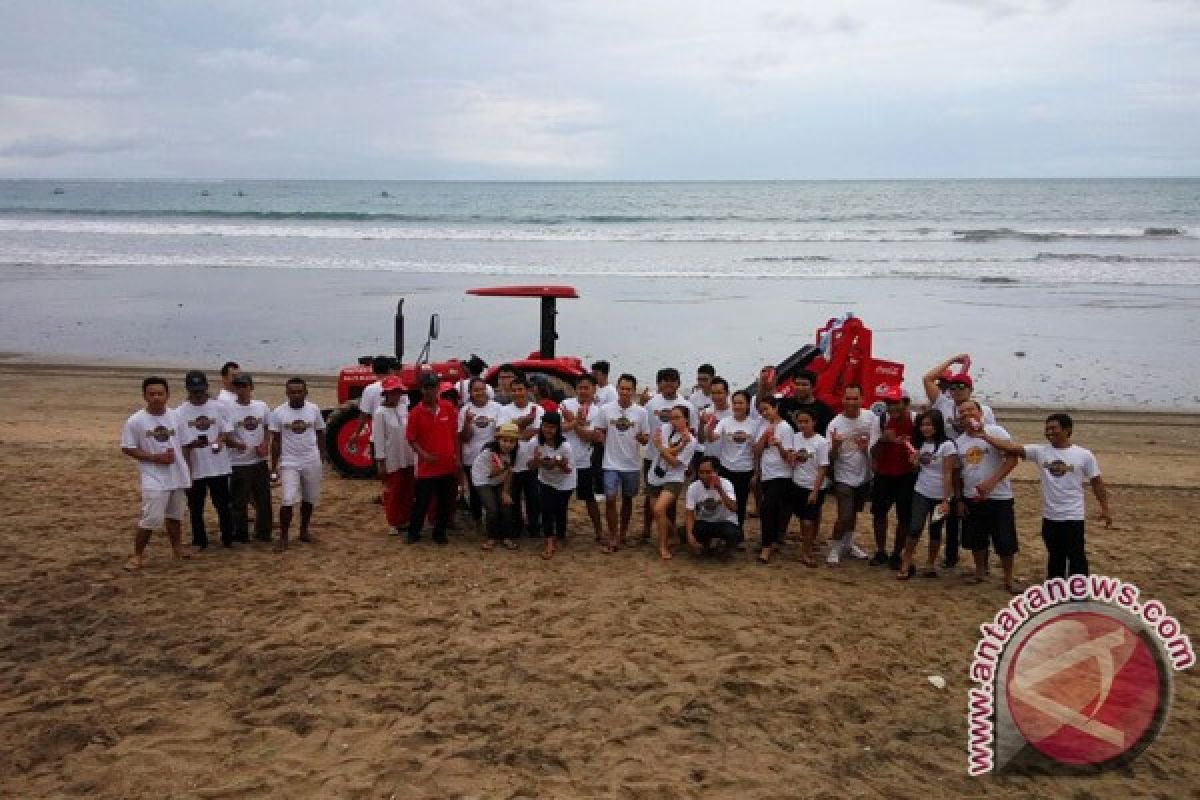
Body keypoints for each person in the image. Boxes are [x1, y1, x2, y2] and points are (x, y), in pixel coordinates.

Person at [982, 413, 1112, 580]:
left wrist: (1105, 509)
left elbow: (1097, 483)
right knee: (1055, 555)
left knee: (1076, 556)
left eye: (1054, 428)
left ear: (1067, 430)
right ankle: (1055, 589)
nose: (1049, 432)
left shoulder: (1083, 455)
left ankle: (1079, 591)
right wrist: (984, 436)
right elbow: (1011, 448)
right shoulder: (1040, 451)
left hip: (1073, 516)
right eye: (1047, 428)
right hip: (1050, 516)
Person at [120, 376, 192, 570]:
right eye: (152, 394)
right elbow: (127, 447)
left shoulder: (176, 416)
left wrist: (187, 467)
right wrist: (154, 457)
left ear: (167, 395)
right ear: (145, 396)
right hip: (153, 475)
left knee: (175, 515)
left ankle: (177, 548)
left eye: (160, 393)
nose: (156, 397)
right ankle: (137, 555)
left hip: (177, 474)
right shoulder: (136, 421)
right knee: (151, 517)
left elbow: (184, 444)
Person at [950, 399, 1020, 592]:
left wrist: (991, 482)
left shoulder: (995, 431)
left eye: (970, 410)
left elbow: (1013, 457)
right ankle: (980, 572)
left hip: (999, 496)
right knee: (976, 538)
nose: (966, 414)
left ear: (980, 412)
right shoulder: (959, 442)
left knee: (1004, 540)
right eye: (961, 412)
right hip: (971, 496)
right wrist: (959, 499)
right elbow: (957, 473)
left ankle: (1008, 578)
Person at [176, 370, 235, 549]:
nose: (198, 395)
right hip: (196, 466)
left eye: (201, 391)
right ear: (188, 390)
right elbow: (180, 443)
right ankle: (199, 540)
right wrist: (187, 468)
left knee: (223, 505)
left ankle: (227, 538)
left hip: (218, 466)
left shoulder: (219, 407)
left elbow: (227, 429)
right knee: (196, 507)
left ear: (207, 388)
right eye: (194, 391)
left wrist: (220, 439)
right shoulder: (179, 412)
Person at [269, 378, 327, 551]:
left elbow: (320, 432)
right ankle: (284, 537)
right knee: (287, 499)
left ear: (305, 392)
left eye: (299, 391)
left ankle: (303, 531)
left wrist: (321, 455)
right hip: (289, 461)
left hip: (311, 459)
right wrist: (273, 466)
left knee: (309, 498)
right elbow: (276, 441)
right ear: (287, 393)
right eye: (292, 392)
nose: (296, 395)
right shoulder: (279, 412)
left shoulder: (314, 409)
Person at [897, 409, 956, 580]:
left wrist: (946, 500)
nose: (925, 428)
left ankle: (930, 563)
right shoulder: (920, 444)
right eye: (923, 425)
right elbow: (917, 469)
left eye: (929, 424)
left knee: (935, 530)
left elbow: (948, 474)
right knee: (914, 527)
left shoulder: (947, 445)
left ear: (937, 426)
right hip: (921, 491)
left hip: (940, 495)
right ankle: (906, 561)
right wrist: (914, 463)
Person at [826, 384, 880, 565]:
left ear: (862, 400)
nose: (851, 402)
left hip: (864, 475)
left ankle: (848, 544)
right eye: (847, 398)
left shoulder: (870, 418)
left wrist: (867, 450)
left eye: (855, 398)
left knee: (854, 513)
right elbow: (831, 457)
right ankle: (835, 547)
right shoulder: (835, 424)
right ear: (842, 400)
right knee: (844, 515)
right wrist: (835, 445)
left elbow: (876, 447)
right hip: (844, 475)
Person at [595, 373, 649, 551]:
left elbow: (645, 437)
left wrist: (642, 438)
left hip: (631, 463)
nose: (624, 392)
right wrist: (599, 436)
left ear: (634, 391)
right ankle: (612, 536)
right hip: (610, 462)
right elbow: (599, 430)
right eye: (622, 388)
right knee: (610, 499)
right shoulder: (606, 409)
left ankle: (623, 533)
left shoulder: (641, 412)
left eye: (628, 389)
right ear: (617, 389)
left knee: (628, 499)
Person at [405, 372, 460, 545]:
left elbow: (455, 434)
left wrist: (457, 457)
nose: (430, 391)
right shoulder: (415, 413)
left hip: (447, 465)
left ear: (438, 388)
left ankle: (439, 532)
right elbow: (411, 439)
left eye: (433, 387)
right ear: (422, 389)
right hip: (427, 468)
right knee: (421, 502)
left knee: (446, 502)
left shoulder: (448, 408)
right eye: (427, 387)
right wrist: (424, 455)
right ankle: (413, 532)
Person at [641, 368, 695, 542]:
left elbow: (690, 433)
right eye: (664, 380)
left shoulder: (687, 405)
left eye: (672, 380)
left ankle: (669, 534)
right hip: (652, 457)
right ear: (659, 384)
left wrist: (684, 457)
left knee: (669, 499)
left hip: (673, 457)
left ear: (678, 383)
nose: (668, 384)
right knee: (650, 497)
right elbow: (646, 428)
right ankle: (647, 530)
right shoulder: (651, 404)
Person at [869, 385, 917, 569]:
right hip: (884, 474)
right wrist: (883, 440)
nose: (891, 407)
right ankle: (881, 551)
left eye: (895, 403)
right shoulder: (880, 421)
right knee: (879, 514)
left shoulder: (916, 420)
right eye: (888, 403)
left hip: (906, 475)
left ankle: (897, 554)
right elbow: (873, 454)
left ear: (906, 403)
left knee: (904, 518)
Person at [226, 372, 272, 543]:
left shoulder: (261, 406)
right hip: (239, 462)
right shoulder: (229, 409)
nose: (241, 390)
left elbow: (268, 427)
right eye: (237, 386)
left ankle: (263, 533)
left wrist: (265, 443)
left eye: (244, 386)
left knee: (263, 500)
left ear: (251, 387)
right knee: (239, 501)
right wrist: (237, 444)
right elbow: (226, 436)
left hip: (259, 461)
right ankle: (241, 534)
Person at [647, 405, 697, 560]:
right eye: (671, 417)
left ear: (686, 419)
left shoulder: (692, 440)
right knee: (656, 510)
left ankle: (663, 545)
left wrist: (662, 448)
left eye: (677, 417)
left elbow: (675, 462)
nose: (673, 421)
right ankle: (674, 535)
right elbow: (668, 451)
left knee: (659, 510)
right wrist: (675, 447)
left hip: (674, 477)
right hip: (656, 473)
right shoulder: (665, 428)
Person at [497, 374, 544, 538]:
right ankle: (516, 527)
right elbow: (502, 431)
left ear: (527, 390)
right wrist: (523, 428)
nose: (518, 393)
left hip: (531, 461)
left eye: (520, 389)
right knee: (514, 498)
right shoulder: (505, 410)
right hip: (512, 463)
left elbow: (540, 432)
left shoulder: (538, 409)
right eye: (514, 390)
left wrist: (516, 430)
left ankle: (534, 527)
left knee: (534, 499)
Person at [559, 374, 605, 542]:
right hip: (565, 459)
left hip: (585, 461)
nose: (583, 391)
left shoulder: (599, 411)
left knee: (589, 499)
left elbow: (592, 437)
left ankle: (599, 531)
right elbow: (557, 428)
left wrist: (573, 423)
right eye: (580, 387)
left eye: (587, 388)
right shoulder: (565, 404)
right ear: (575, 389)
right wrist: (575, 422)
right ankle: (560, 532)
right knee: (561, 499)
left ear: (594, 389)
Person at [458, 377, 503, 535]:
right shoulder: (465, 410)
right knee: (475, 491)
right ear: (470, 392)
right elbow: (464, 437)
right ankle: (477, 520)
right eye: (476, 390)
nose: (480, 393)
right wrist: (467, 423)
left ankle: (495, 521)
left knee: (495, 489)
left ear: (487, 390)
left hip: (492, 457)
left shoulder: (497, 408)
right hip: (472, 458)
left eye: (482, 389)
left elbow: (501, 432)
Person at [372, 375, 415, 536]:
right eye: (393, 393)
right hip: (392, 457)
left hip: (407, 455)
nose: (396, 396)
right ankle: (392, 521)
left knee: (408, 488)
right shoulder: (380, 413)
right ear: (386, 394)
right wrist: (380, 462)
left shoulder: (403, 408)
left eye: (398, 392)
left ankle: (404, 518)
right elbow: (379, 440)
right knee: (393, 490)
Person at [754, 396, 795, 564]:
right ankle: (773, 539)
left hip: (782, 474)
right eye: (761, 410)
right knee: (773, 509)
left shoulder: (786, 428)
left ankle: (766, 547)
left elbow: (790, 457)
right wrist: (765, 436)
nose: (764, 413)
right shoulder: (762, 425)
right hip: (766, 474)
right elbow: (756, 451)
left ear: (775, 407)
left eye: (767, 409)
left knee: (767, 507)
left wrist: (778, 445)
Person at [712, 390, 760, 528]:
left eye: (740, 403)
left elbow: (756, 452)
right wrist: (709, 425)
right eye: (734, 403)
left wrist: (756, 473)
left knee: (741, 502)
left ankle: (738, 533)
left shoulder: (754, 424)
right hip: (726, 468)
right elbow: (712, 437)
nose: (737, 406)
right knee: (722, 500)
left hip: (745, 470)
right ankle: (722, 530)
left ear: (748, 405)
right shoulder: (725, 422)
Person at [789, 408, 830, 567]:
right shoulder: (795, 437)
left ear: (814, 422)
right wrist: (792, 458)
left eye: (806, 421)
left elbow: (823, 468)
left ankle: (805, 553)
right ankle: (808, 544)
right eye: (800, 422)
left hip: (814, 486)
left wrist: (814, 491)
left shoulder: (821, 442)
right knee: (802, 519)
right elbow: (792, 458)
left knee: (808, 521)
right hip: (797, 483)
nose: (803, 425)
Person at [473, 422, 520, 551]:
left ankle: (506, 536)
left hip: (499, 479)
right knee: (492, 507)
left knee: (506, 505)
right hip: (482, 479)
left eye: (512, 441)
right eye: (505, 440)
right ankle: (491, 537)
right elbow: (493, 473)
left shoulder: (515, 453)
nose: (508, 445)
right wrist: (502, 470)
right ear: (498, 439)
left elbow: (510, 472)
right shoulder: (490, 452)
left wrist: (505, 492)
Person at [534, 411, 575, 558]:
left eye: (552, 427)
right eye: (545, 426)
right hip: (545, 479)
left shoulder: (565, 446)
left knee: (560, 509)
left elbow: (568, 470)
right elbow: (531, 464)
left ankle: (561, 535)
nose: (548, 430)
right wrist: (536, 461)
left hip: (565, 482)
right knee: (546, 508)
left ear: (558, 428)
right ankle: (549, 541)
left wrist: (560, 464)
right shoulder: (537, 442)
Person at [683, 457, 743, 555]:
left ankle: (725, 545)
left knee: (733, 533)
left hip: (725, 522)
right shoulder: (693, 487)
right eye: (701, 472)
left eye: (708, 472)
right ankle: (708, 543)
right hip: (704, 521)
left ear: (716, 471)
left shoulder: (726, 483)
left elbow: (734, 508)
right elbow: (689, 514)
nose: (704, 476)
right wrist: (690, 536)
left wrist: (719, 488)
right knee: (689, 532)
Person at [778, 369, 835, 436]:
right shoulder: (784, 404)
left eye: (804, 385)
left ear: (813, 387)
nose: (799, 388)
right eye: (797, 384)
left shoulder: (825, 411)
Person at [353, 355, 394, 444]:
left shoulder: (369, 389)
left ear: (373, 370)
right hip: (395, 437)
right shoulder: (400, 388)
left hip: (378, 437)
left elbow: (363, 416)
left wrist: (356, 434)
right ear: (389, 370)